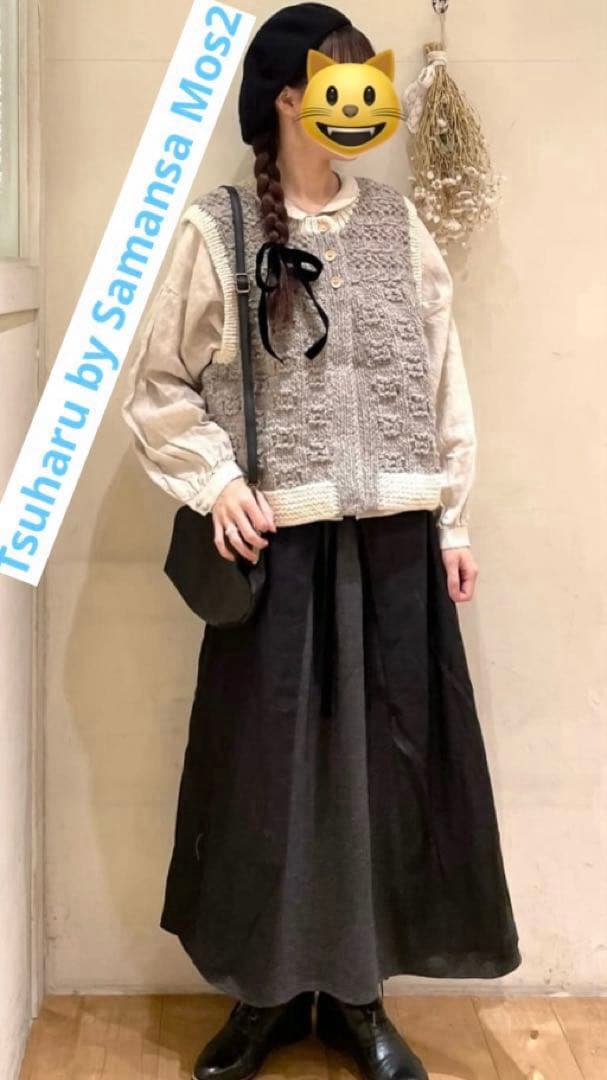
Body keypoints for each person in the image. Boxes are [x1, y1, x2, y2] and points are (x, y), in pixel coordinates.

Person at [121, 4, 522, 1079]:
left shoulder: (397, 226)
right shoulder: (217, 231)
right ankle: (263, 999)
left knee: (386, 779)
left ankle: (356, 998)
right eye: (342, 79)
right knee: (264, 782)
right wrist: (215, 482)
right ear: (290, 98)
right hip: (278, 559)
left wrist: (451, 518)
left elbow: (440, 375)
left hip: (394, 554)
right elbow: (157, 385)